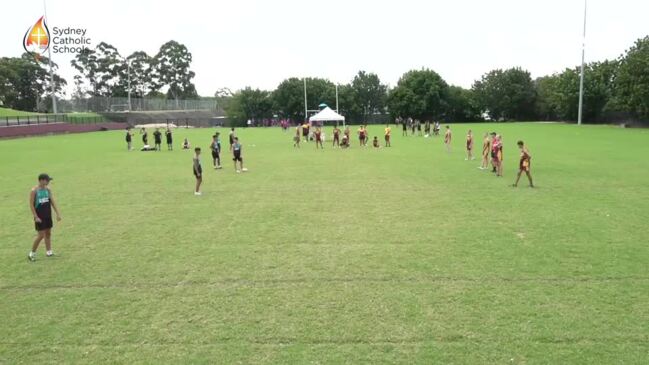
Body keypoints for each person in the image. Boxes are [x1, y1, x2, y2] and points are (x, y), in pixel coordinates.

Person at [28, 173, 62, 261]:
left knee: (48, 233)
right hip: (39, 217)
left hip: (47, 215)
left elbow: (52, 202)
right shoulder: (34, 191)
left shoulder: (48, 189)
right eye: (47, 180)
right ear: (42, 180)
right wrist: (36, 217)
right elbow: (31, 205)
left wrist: (57, 213)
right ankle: (31, 254)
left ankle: (49, 252)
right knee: (41, 235)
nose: (48, 182)